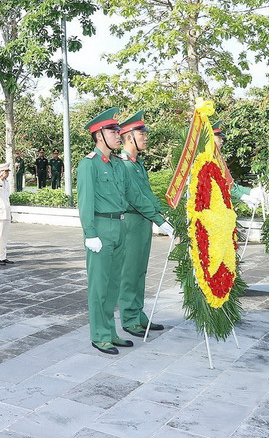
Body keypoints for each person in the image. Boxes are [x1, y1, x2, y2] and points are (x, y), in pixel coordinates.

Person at [78, 108, 174, 355]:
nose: (118, 134)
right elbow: (85, 201)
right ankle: (99, 335)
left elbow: (134, 195)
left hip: (120, 226)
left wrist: (160, 220)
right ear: (99, 135)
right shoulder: (88, 165)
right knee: (99, 286)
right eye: (112, 131)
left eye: (118, 130)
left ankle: (111, 333)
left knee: (112, 286)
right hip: (101, 228)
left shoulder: (118, 165)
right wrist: (90, 233)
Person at [116, 111, 173, 337]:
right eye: (142, 134)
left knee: (140, 271)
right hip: (130, 223)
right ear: (129, 137)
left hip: (142, 223)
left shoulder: (137, 165)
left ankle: (138, 314)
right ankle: (129, 319)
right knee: (129, 272)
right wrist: (161, 221)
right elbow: (136, 199)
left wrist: (164, 213)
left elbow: (147, 195)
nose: (145, 138)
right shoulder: (124, 165)